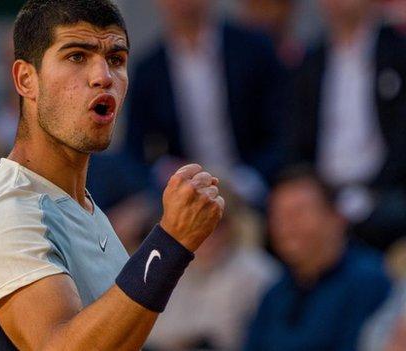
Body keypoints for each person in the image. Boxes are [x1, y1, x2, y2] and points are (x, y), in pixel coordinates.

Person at [0, 1, 225, 350]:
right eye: (77, 56)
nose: (103, 76)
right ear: (25, 79)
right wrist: (170, 242)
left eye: (116, 60)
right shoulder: (6, 211)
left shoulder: (82, 207)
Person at [125, 0, 286, 207]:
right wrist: (163, 171)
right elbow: (134, 150)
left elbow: (283, 130)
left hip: (254, 189)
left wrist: (251, 179)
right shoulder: (149, 69)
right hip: (186, 194)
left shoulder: (254, 50)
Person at [290, 0, 406, 251]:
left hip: (385, 188)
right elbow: (298, 137)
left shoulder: (396, 52)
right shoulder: (312, 60)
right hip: (324, 188)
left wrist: (372, 191)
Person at [244, 166, 391, 351]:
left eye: (298, 213)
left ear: (336, 218)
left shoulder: (369, 281)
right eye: (278, 217)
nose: (286, 227)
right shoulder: (275, 292)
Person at [145, 186, 279, 351]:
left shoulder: (259, 272)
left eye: (216, 222)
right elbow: (152, 335)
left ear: (232, 224)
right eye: (197, 221)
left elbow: (231, 339)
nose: (207, 231)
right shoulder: (165, 267)